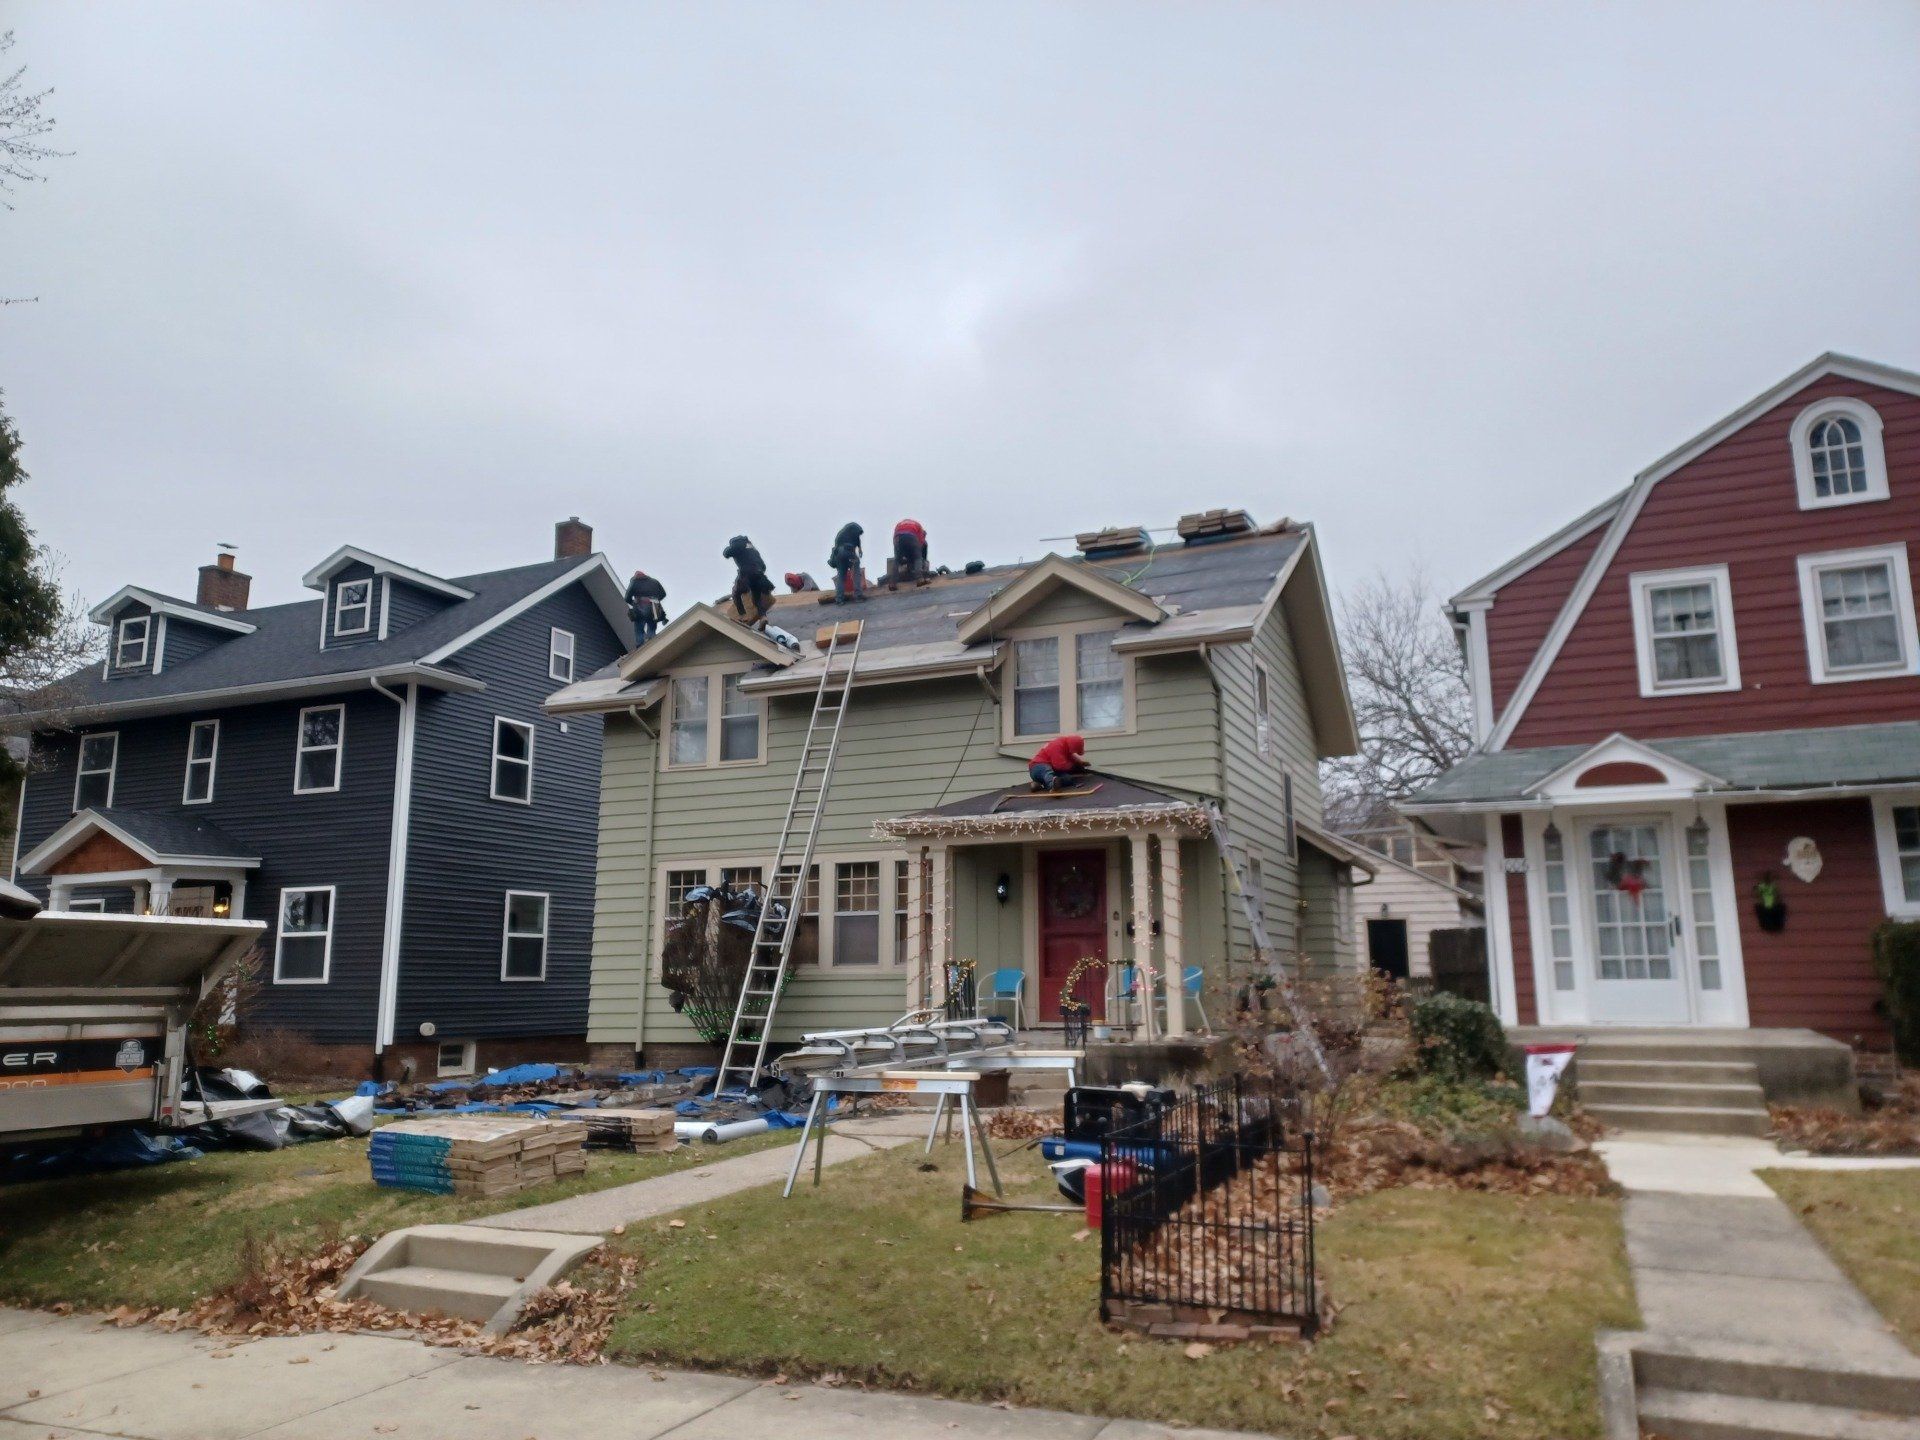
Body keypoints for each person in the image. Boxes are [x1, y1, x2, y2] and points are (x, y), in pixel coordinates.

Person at [722, 535, 775, 628]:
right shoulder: (751, 547)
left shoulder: (737, 545)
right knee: (756, 597)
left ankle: (743, 616)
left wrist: (729, 547)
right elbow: (763, 565)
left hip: (746, 573)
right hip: (759, 573)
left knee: (735, 592)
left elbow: (726, 554)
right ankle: (763, 617)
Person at [624, 569, 667, 642]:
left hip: (640, 607)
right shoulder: (654, 581)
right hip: (654, 608)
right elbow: (663, 594)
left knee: (639, 629)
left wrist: (634, 603)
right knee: (652, 628)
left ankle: (641, 646)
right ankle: (652, 645)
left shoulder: (634, 581)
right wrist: (655, 600)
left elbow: (627, 598)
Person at [828, 521, 865, 603]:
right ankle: (858, 596)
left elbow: (855, 538)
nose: (859, 535)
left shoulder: (841, 534)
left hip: (839, 555)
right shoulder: (854, 526)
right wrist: (859, 549)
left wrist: (859, 548)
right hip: (848, 551)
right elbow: (857, 537)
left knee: (841, 576)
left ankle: (839, 599)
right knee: (856, 570)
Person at [892, 517, 929, 585]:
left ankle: (893, 583)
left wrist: (898, 556)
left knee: (896, 560)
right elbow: (921, 542)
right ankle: (919, 578)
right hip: (911, 537)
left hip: (898, 537)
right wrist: (920, 558)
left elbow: (895, 540)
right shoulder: (919, 526)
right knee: (918, 558)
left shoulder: (899, 524)